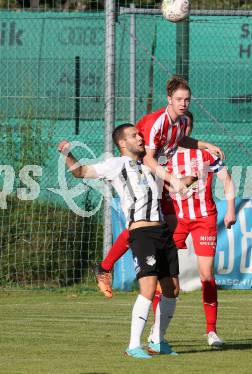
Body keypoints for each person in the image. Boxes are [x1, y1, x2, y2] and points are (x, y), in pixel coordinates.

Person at [58, 124, 182, 359]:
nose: (140, 137)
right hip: (142, 233)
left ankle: (157, 341)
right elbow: (80, 172)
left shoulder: (148, 166)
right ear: (122, 143)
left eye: (140, 134)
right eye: (134, 135)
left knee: (172, 289)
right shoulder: (116, 164)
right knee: (147, 288)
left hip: (162, 232)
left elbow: (166, 187)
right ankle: (133, 345)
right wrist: (67, 153)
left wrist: (183, 181)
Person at [94, 75, 224, 298]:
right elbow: (147, 159)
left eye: (187, 99)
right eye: (179, 99)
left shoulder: (181, 122)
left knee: (167, 223)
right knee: (143, 224)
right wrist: (174, 180)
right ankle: (105, 268)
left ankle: (158, 274)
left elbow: (181, 141)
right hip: (141, 171)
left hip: (158, 174)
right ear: (169, 100)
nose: (184, 103)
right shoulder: (158, 122)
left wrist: (204, 144)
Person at [148, 111, 236, 349]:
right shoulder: (164, 155)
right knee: (164, 276)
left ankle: (212, 332)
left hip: (203, 218)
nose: (181, 130)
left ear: (190, 128)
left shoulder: (206, 154)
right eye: (178, 125)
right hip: (174, 219)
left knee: (206, 274)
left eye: (185, 126)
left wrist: (230, 209)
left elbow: (226, 180)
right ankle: (156, 333)